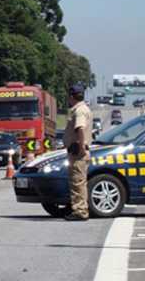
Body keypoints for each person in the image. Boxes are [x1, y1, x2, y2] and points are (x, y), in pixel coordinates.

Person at [63, 84, 93, 221]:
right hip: (78, 151)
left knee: (77, 183)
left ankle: (80, 211)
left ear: (71, 96)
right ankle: (80, 208)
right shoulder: (83, 109)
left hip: (78, 153)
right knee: (79, 182)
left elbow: (80, 129)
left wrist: (80, 148)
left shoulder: (79, 111)